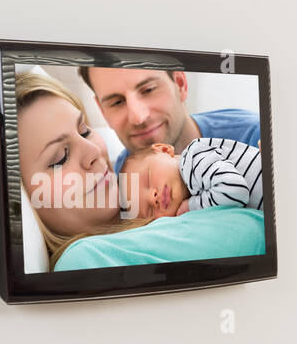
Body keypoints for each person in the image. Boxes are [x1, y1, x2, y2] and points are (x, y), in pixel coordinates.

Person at [14, 70, 264, 271]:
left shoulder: (149, 187)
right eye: (60, 158)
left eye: (85, 131)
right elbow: (255, 231)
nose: (93, 151)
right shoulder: (87, 259)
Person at [78, 67, 261, 174]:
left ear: (180, 84)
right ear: (103, 112)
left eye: (149, 89)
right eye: (117, 102)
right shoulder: (125, 173)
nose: (138, 117)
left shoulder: (257, 141)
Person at [121, 138, 264, 219]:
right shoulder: (198, 194)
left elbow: (235, 191)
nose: (153, 198)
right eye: (150, 212)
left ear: (163, 150)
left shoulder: (191, 159)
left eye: (148, 179)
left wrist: (190, 207)